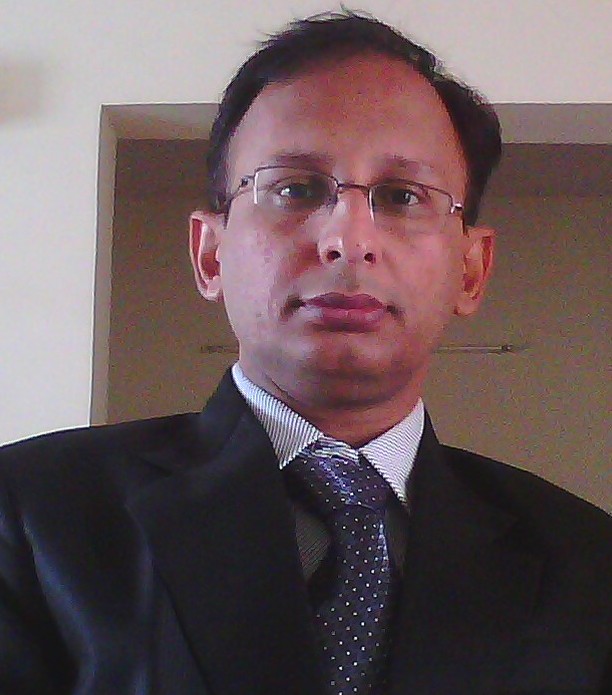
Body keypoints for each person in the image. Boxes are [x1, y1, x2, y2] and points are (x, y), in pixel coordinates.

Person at [0, 10, 610, 695]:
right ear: (210, 254)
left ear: (472, 269)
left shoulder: (587, 561)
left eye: (402, 196)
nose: (349, 239)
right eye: (294, 188)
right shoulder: (30, 516)